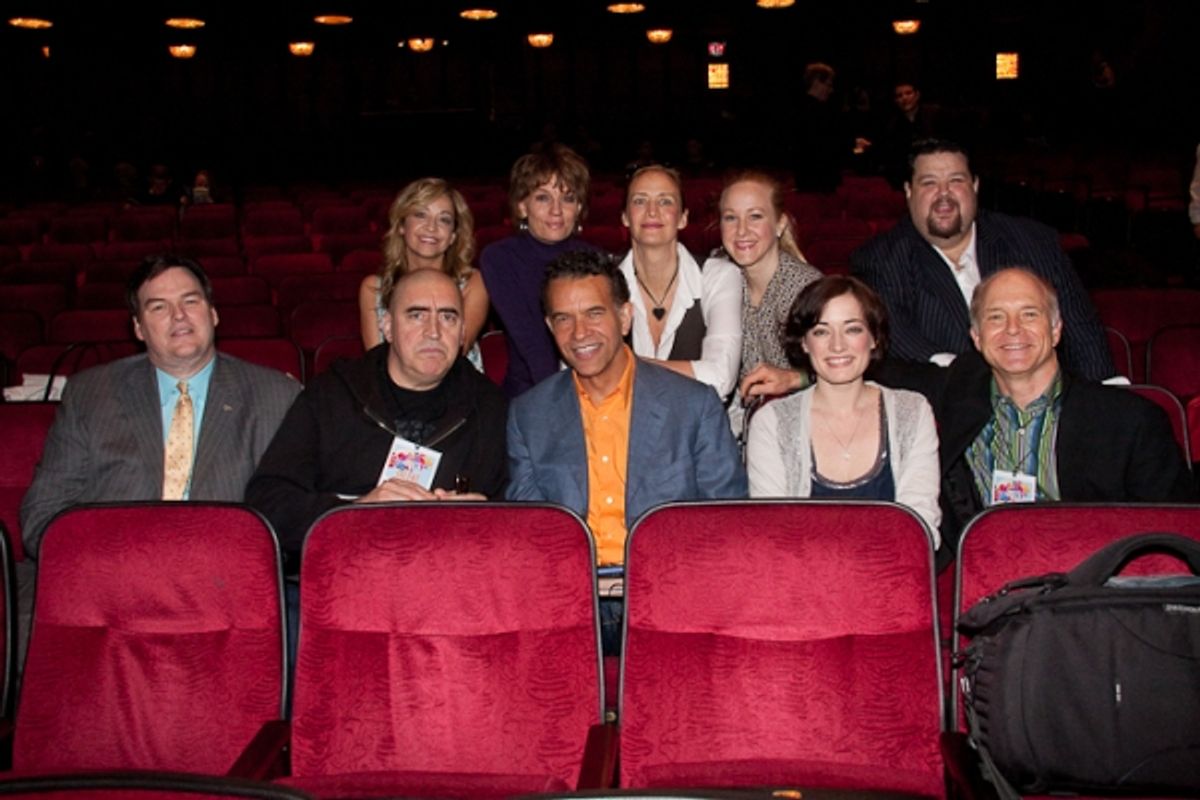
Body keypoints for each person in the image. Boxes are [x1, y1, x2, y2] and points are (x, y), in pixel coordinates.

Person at [506, 250, 747, 652]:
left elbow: (724, 524)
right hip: (568, 606)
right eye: (564, 319)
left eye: (594, 313)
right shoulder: (528, 414)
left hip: (670, 600)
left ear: (624, 317)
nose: (580, 332)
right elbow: (531, 532)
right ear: (550, 326)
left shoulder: (692, 405)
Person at [873, 268, 1194, 555]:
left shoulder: (1130, 421)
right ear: (977, 337)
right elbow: (862, 364)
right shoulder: (951, 396)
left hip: (1087, 590)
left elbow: (1174, 533)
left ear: (1056, 330)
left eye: (1029, 314)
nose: (1013, 329)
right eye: (996, 316)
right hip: (986, 591)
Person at [21, 255, 300, 558]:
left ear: (214, 313)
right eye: (158, 307)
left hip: (225, 577)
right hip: (114, 574)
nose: (178, 315)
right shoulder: (89, 395)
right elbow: (42, 516)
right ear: (138, 328)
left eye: (190, 301)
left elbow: (293, 520)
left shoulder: (276, 395)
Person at [247, 269, 508, 562]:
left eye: (448, 317)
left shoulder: (491, 406)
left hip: (451, 574)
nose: (434, 331)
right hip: (347, 572)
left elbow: (518, 521)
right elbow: (268, 502)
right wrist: (356, 512)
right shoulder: (332, 395)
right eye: (416, 315)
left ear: (463, 333)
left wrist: (488, 516)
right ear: (387, 326)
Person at [850, 139, 1114, 381]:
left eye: (956, 181)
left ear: (975, 186)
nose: (944, 194)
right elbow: (896, 333)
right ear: (908, 191)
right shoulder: (879, 259)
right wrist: (969, 379)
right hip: (947, 403)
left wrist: (1105, 390)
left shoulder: (1032, 242)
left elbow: (1081, 328)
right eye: (929, 183)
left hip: (1044, 395)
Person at [746, 276, 941, 543]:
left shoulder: (913, 411)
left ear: (874, 338)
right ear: (804, 343)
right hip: (802, 578)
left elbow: (921, 527)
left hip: (893, 575)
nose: (837, 345)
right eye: (821, 331)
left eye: (852, 329)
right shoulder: (773, 422)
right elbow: (773, 532)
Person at [481, 145, 599, 397]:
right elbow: (533, 342)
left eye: (568, 198)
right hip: (532, 393)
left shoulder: (594, 259)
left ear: (578, 208)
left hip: (594, 388)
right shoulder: (500, 258)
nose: (556, 210)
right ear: (522, 206)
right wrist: (561, 405)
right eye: (543, 197)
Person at [709, 170, 823, 430]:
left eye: (755, 216)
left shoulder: (805, 288)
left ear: (780, 224)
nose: (741, 230)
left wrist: (795, 379)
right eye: (730, 218)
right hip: (741, 426)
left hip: (806, 424)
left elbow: (845, 365)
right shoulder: (717, 278)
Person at [617, 165, 741, 402]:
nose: (652, 211)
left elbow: (721, 378)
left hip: (697, 430)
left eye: (665, 201)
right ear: (625, 216)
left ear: (683, 218)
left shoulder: (718, 276)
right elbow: (578, 377)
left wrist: (621, 367)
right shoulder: (602, 283)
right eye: (640, 201)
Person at [359, 177, 486, 370]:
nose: (431, 227)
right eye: (420, 215)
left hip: (459, 388)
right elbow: (377, 364)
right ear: (402, 225)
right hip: (392, 393)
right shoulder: (373, 288)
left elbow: (453, 351)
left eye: (444, 219)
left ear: (453, 235)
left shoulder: (473, 282)